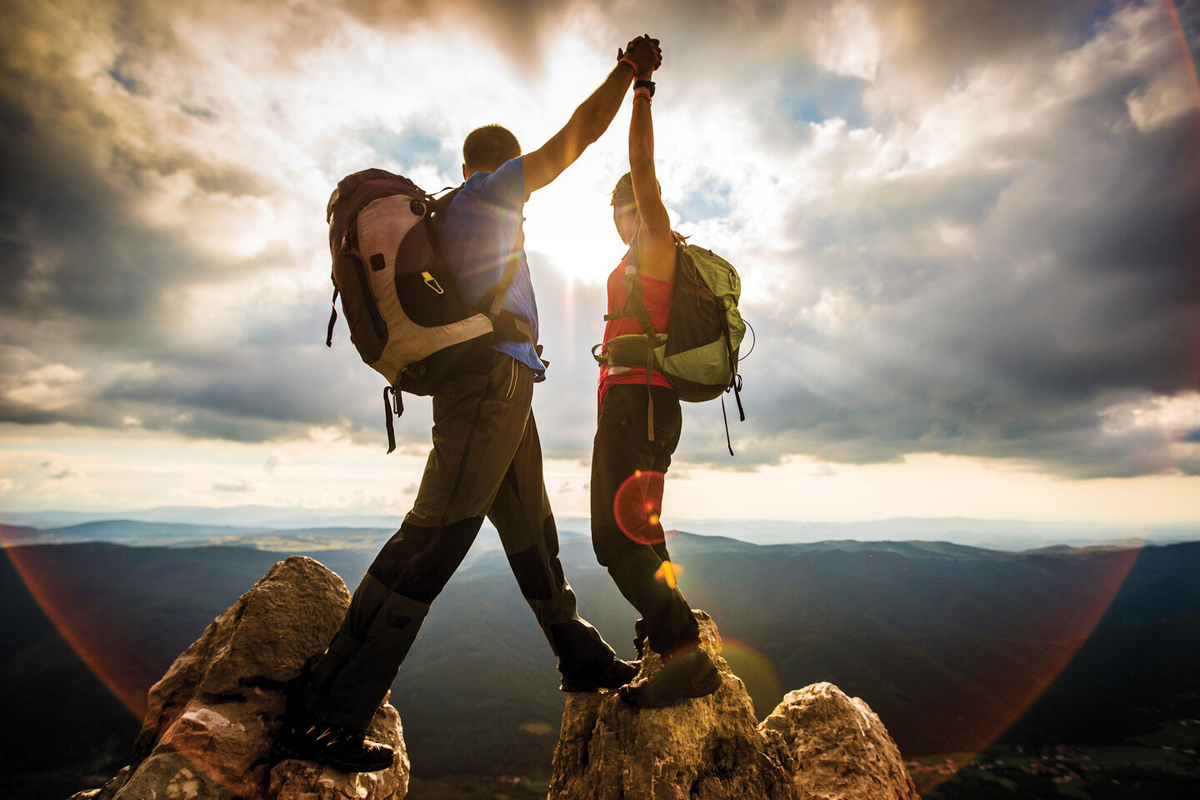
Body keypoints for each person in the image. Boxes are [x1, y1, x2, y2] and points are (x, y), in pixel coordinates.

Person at [276, 35, 664, 773]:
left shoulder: (452, 208)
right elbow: (573, 140)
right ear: (496, 166)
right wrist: (629, 76)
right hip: (489, 387)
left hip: (503, 389)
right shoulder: (492, 194)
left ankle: (579, 657)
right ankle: (327, 713)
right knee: (435, 537)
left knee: (533, 536)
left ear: (458, 166)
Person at [590, 65, 722, 708]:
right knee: (644, 532)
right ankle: (673, 642)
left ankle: (685, 657)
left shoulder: (659, 247)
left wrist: (639, 90)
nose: (624, 217)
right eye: (619, 210)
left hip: (636, 404)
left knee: (612, 540)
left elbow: (642, 163)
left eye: (629, 207)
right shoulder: (636, 263)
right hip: (642, 406)